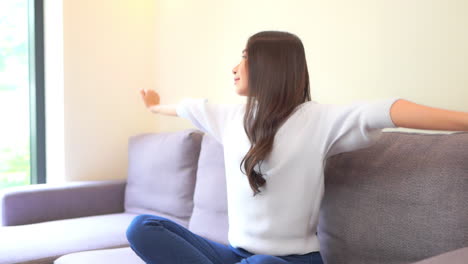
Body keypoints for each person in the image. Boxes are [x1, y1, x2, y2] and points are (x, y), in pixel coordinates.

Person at [126, 31, 468, 264]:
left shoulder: (318, 120)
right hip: (237, 255)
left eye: (244, 58)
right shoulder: (227, 117)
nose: (234, 67)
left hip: (291, 261)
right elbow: (186, 107)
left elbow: (390, 110)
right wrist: (155, 108)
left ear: (270, 65)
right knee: (141, 228)